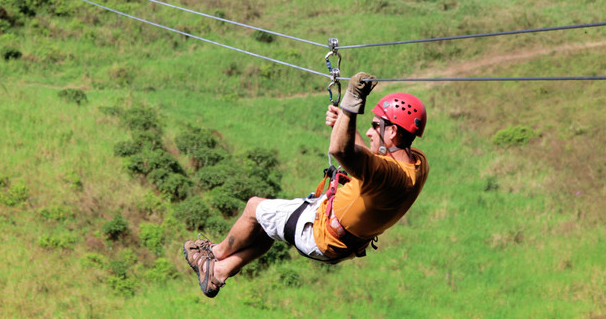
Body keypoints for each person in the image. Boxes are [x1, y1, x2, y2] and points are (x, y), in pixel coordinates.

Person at [182, 72, 429, 298]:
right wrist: (343, 124)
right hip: (343, 242)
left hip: (319, 233)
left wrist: (352, 104)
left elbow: (340, 150)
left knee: (254, 207)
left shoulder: (386, 174)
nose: (369, 131)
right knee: (267, 226)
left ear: (393, 132)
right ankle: (220, 272)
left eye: (376, 126)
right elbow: (366, 159)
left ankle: (213, 255)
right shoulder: (417, 165)